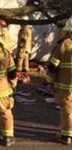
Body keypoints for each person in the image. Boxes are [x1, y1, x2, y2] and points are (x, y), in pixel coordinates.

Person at [46, 17, 72, 145]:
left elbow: (53, 66)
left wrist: (49, 81)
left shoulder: (64, 44)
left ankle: (66, 136)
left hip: (66, 85)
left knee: (68, 109)